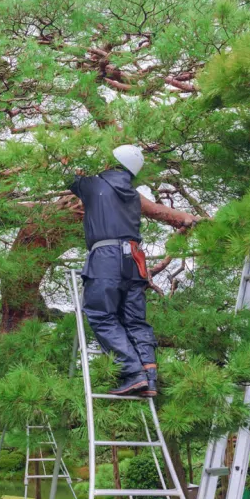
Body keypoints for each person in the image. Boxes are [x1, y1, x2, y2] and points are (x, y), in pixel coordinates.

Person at [69, 145, 158, 396]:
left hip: (106, 258)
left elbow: (67, 177)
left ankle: (132, 372)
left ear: (110, 163)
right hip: (135, 260)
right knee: (134, 320)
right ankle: (149, 376)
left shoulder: (96, 184)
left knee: (101, 314)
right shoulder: (132, 194)